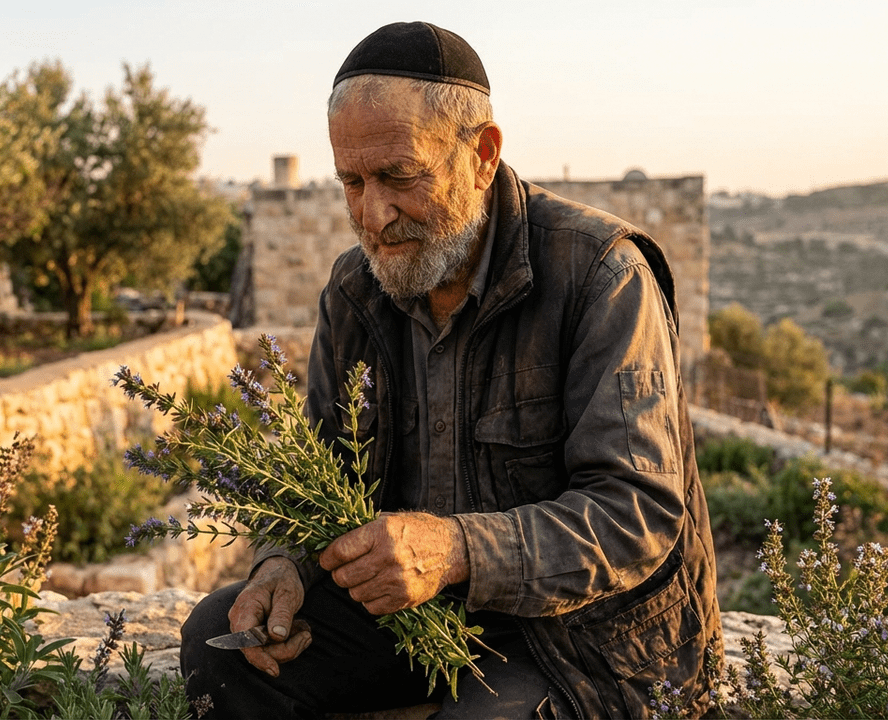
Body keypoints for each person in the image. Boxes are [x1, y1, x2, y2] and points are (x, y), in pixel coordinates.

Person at [181, 21, 721, 719]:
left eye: (399, 177)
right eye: (351, 182)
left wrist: (458, 549)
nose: (373, 215)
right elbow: (315, 474)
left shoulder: (602, 275)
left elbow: (637, 514)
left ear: (482, 154)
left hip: (582, 637)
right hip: (415, 619)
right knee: (219, 642)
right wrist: (281, 562)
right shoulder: (354, 290)